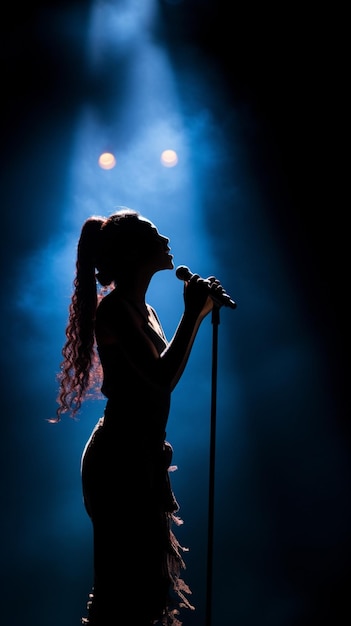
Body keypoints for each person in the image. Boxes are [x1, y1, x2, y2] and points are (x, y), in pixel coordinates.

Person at [54, 207, 228, 626]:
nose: (165, 240)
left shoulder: (145, 310)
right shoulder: (113, 311)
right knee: (122, 590)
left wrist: (200, 313)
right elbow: (160, 379)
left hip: (141, 455)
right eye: (154, 233)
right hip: (118, 459)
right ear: (132, 252)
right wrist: (193, 314)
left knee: (148, 589)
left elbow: (164, 377)